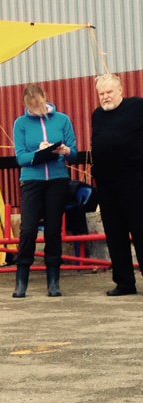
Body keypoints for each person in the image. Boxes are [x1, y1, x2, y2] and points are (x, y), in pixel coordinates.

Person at [12, 84, 77, 298]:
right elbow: (21, 157)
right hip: (32, 181)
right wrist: (39, 153)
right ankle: (21, 281)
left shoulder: (62, 120)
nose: (37, 110)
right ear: (26, 106)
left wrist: (65, 151)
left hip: (57, 180)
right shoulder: (20, 124)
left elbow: (74, 152)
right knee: (28, 229)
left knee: (53, 231)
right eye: (32, 108)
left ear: (45, 99)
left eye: (39, 106)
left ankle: (54, 282)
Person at [91, 73, 143, 296]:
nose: (105, 97)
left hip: (135, 182)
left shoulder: (137, 107)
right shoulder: (97, 116)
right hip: (107, 185)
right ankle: (124, 283)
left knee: (141, 232)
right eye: (101, 94)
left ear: (120, 90)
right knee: (115, 235)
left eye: (109, 92)